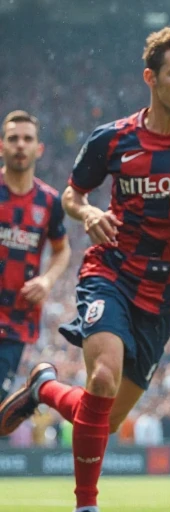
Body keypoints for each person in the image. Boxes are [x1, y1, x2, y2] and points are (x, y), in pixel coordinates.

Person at [0, 28, 170, 512]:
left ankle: (43, 389)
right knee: (102, 378)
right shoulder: (113, 138)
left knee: (105, 417)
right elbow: (72, 195)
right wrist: (90, 212)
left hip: (167, 295)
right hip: (111, 273)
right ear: (151, 78)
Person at [0, 111, 70, 405]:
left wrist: (47, 280)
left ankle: (29, 397)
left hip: (16, 318)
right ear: (2, 146)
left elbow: (62, 249)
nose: (20, 145)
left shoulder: (50, 200)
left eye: (27, 139)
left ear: (38, 149)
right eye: (13, 138)